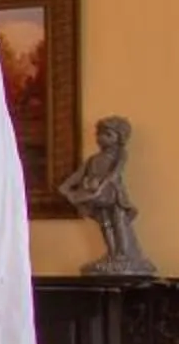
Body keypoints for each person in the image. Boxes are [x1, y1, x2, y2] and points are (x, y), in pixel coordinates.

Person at [57, 115, 155, 276]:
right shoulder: (93, 159)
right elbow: (78, 175)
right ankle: (112, 253)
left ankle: (123, 255)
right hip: (99, 197)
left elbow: (115, 174)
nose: (101, 138)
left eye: (108, 134)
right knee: (105, 224)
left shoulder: (120, 154)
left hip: (113, 194)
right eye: (99, 134)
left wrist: (101, 186)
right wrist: (65, 187)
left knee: (119, 222)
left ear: (119, 138)